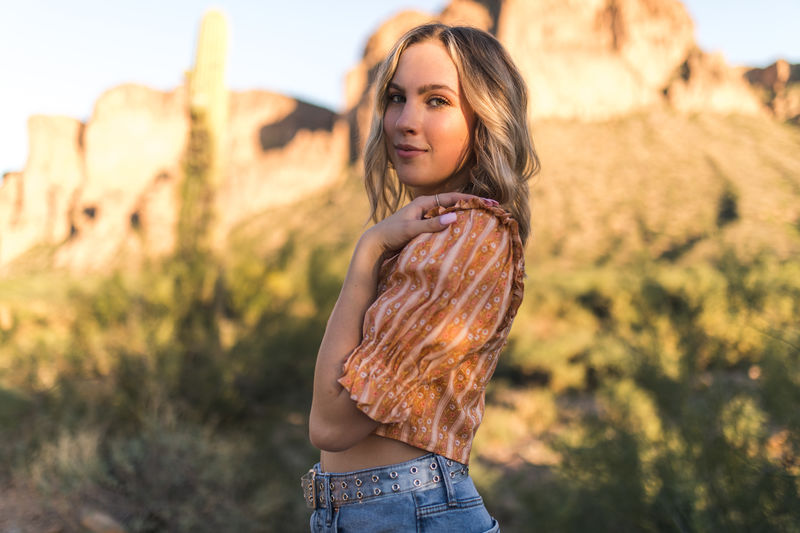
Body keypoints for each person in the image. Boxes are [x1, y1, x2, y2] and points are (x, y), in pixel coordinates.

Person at [305, 22, 539, 532]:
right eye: (396, 98)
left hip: (413, 513)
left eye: (437, 101)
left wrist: (367, 254)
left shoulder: (469, 236)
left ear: (484, 118)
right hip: (384, 512)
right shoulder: (430, 236)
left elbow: (330, 424)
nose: (406, 121)